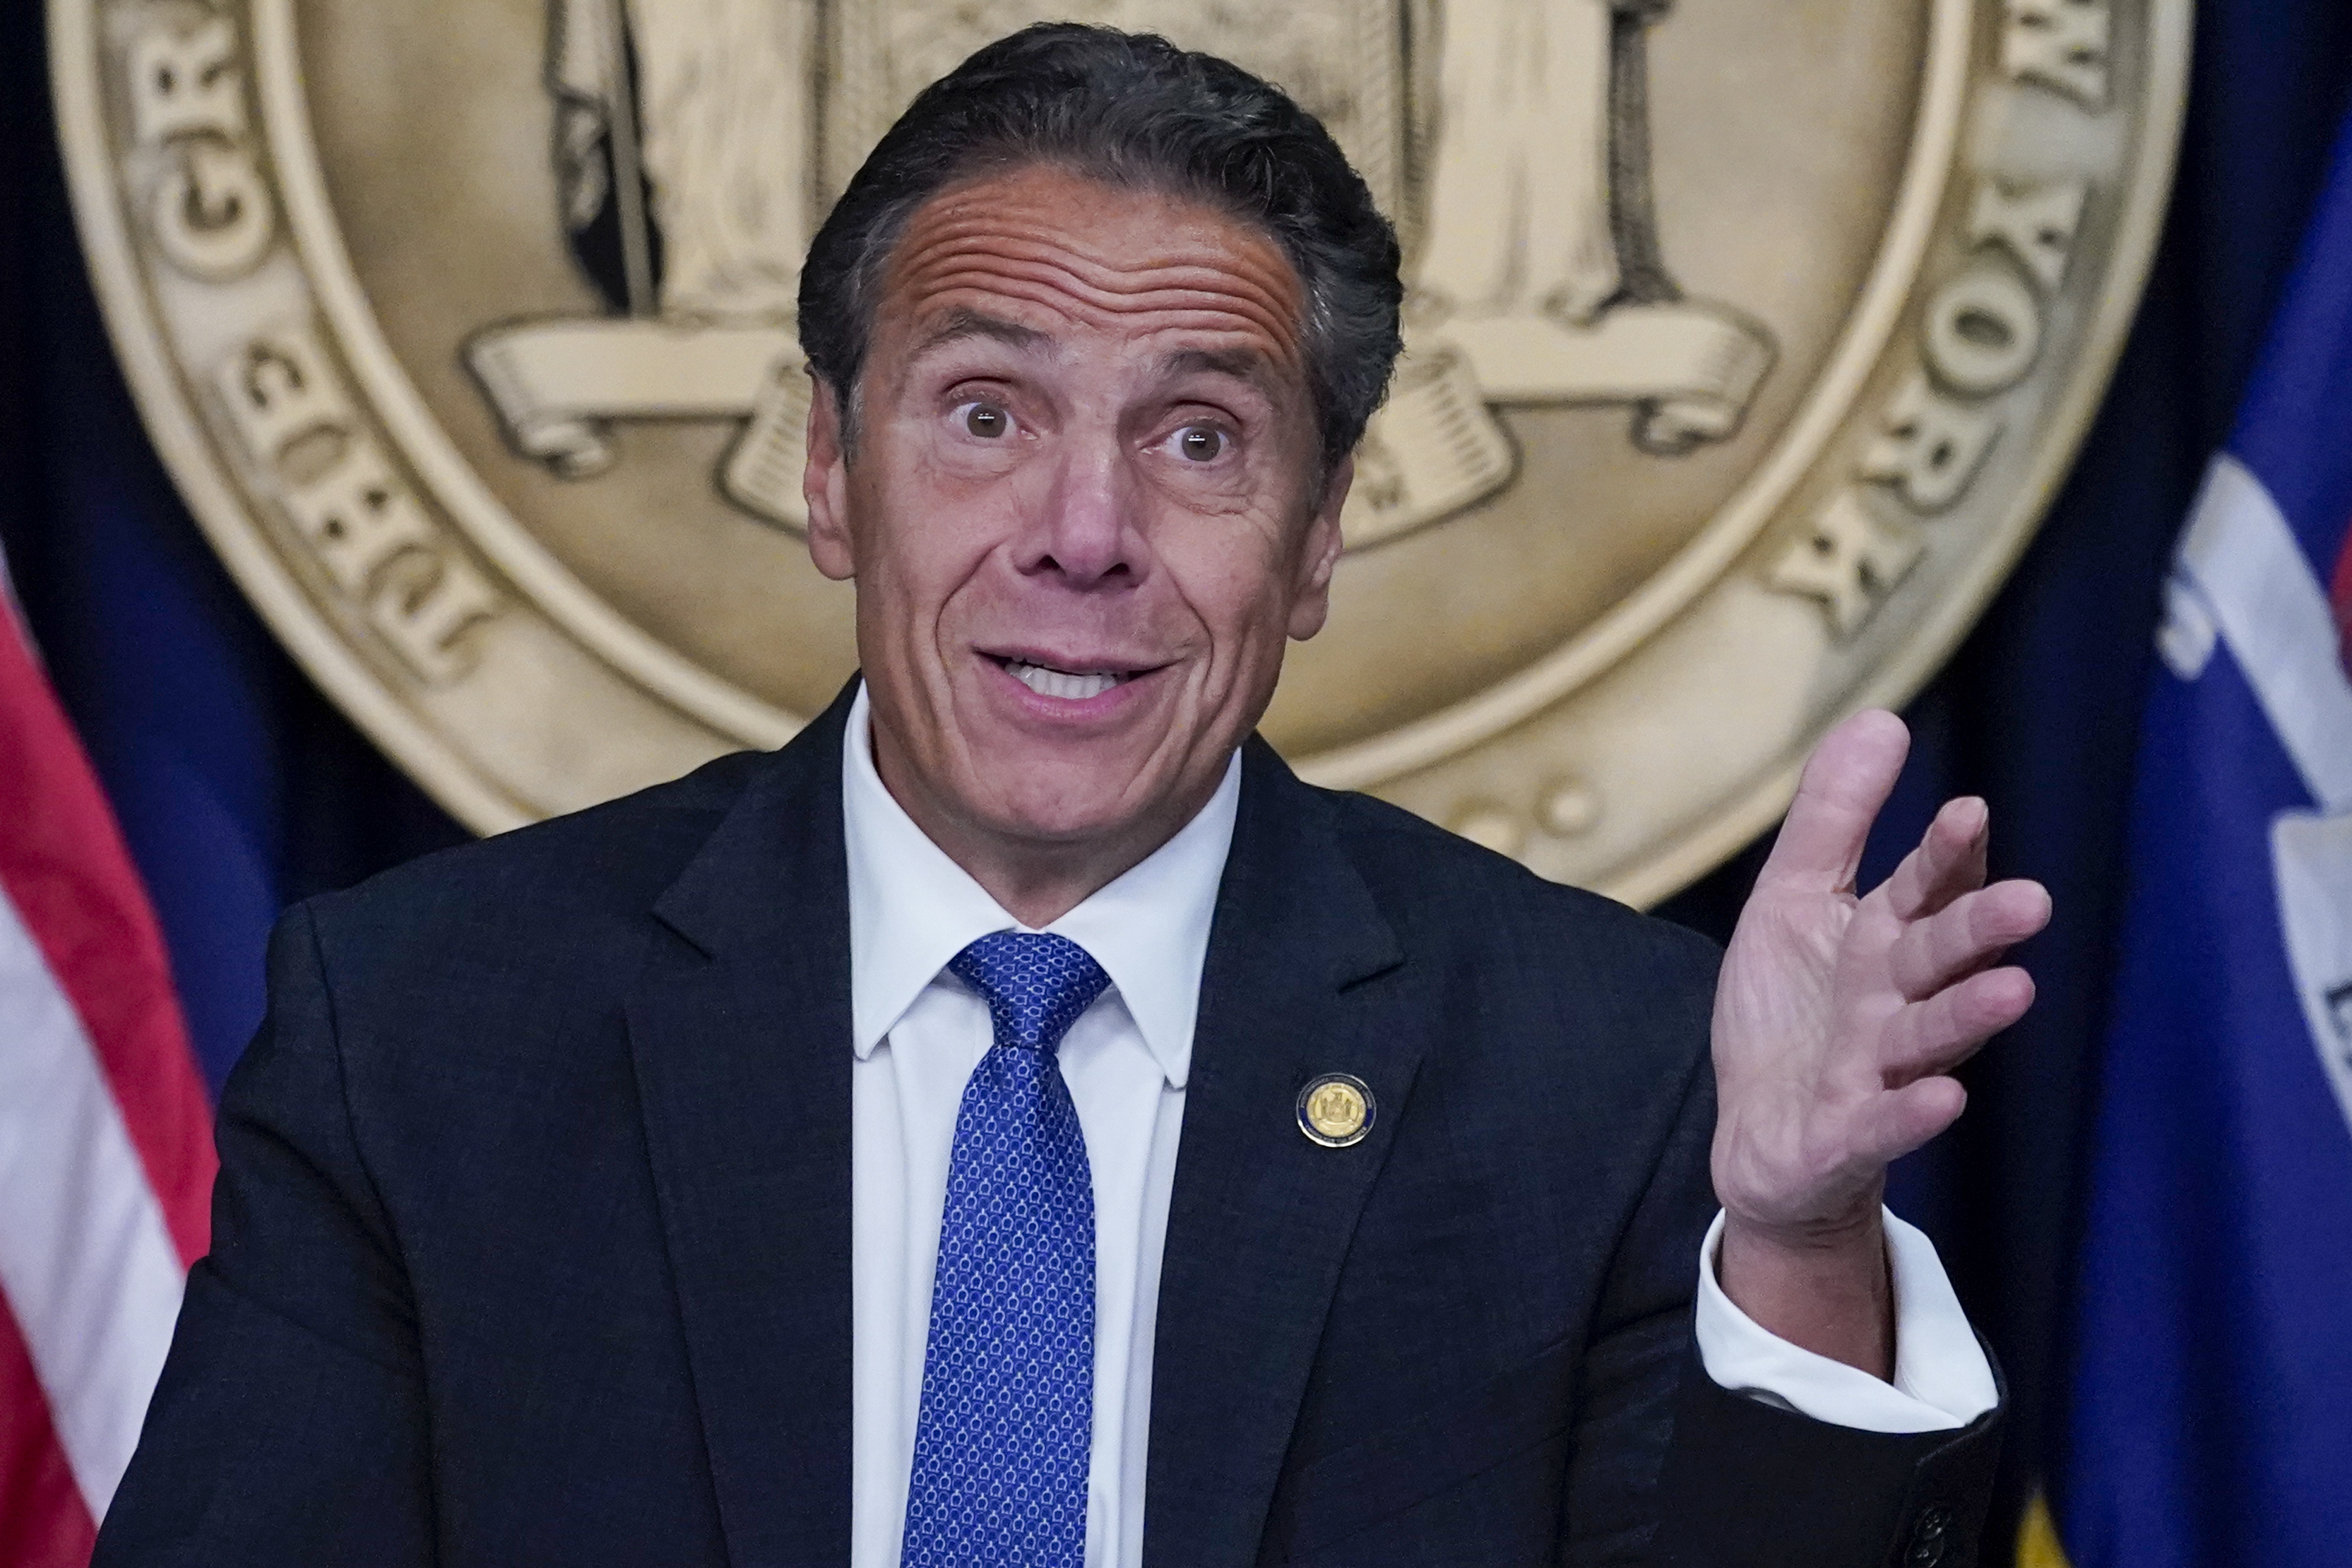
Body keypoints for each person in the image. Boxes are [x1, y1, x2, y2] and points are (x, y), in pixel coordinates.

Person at [95, 25, 2050, 1567]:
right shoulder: (427, 1030)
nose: (1083, 533)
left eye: (1197, 438)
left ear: (1314, 540)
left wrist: (1800, 1244)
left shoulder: (1597, 1072)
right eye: (984, 414)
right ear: (828, 474)